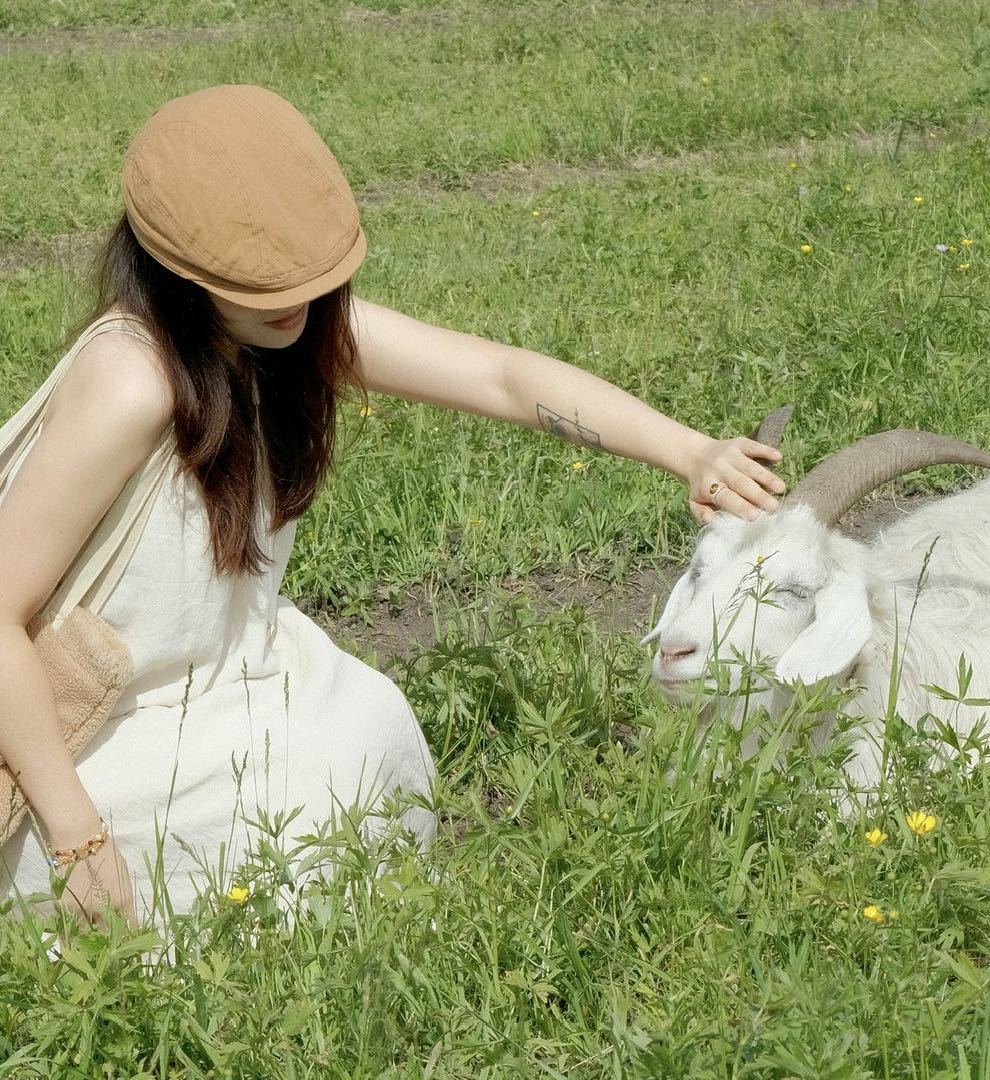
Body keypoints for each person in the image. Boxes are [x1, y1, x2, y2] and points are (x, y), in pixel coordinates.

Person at [0, 84, 785, 935]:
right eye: (265, 283)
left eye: (311, 273)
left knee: (364, 734)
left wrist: (691, 451)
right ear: (182, 274)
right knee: (259, 844)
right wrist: (79, 839)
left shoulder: (283, 325)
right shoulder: (132, 378)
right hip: (91, 729)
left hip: (231, 678)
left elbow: (503, 380)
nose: (296, 300)